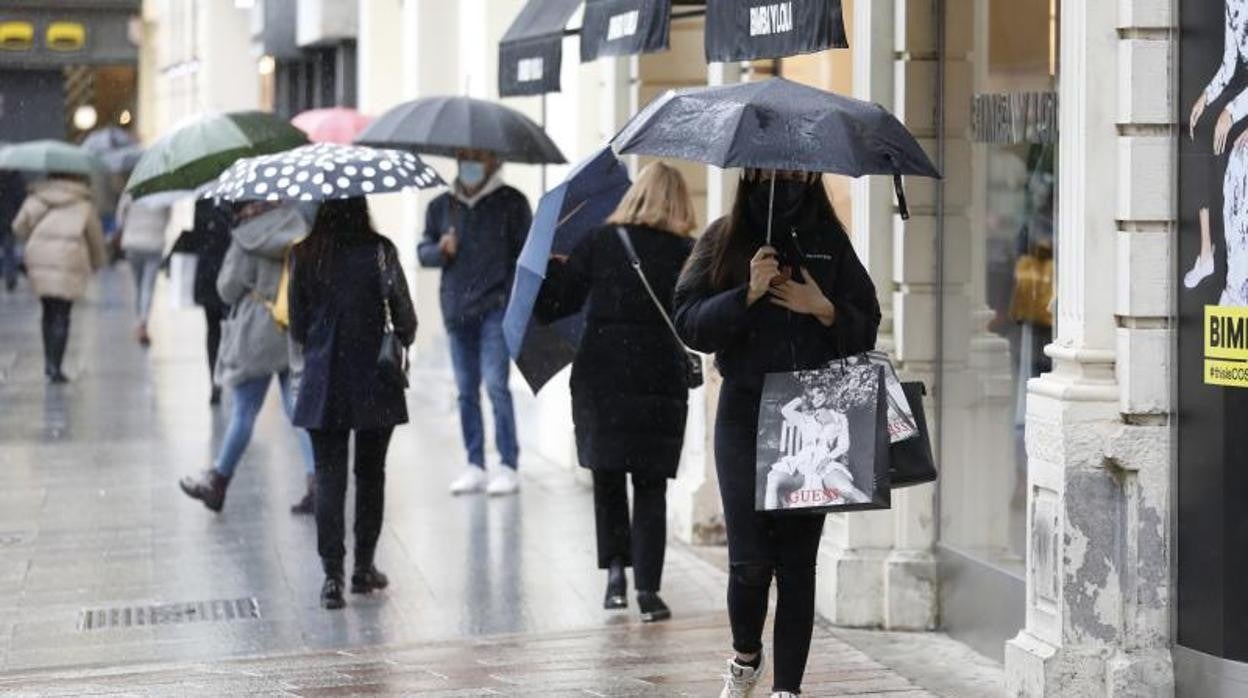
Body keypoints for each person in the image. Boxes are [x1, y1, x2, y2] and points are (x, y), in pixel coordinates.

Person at [673, 169, 881, 698]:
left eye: (796, 169)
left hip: (812, 421)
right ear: (751, 172)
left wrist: (824, 309)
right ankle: (746, 657)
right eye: (772, 169)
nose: (784, 178)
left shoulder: (830, 242)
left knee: (795, 567)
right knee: (749, 563)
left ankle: (788, 689)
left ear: (811, 174)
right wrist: (747, 292)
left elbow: (867, 321)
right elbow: (689, 322)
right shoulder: (723, 239)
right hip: (743, 413)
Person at [536, 162, 696, 623]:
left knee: (607, 478)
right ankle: (649, 590)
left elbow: (555, 306)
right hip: (658, 375)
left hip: (601, 373)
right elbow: (691, 319)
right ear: (678, 201)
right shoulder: (687, 251)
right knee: (650, 485)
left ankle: (615, 580)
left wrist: (552, 271)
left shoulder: (601, 242)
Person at [289, 197, 417, 610]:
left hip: (324, 380)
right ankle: (364, 567)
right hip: (374, 380)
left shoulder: (304, 254)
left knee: (329, 477)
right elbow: (406, 321)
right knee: (370, 473)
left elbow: (297, 323)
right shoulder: (380, 251)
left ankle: (331, 576)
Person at [179, 203, 316, 514]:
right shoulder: (299, 227)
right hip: (291, 327)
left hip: (256, 334)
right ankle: (317, 484)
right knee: (297, 412)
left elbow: (226, 290)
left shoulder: (245, 238)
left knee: (243, 412)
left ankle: (217, 482)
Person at [419, 149, 531, 496]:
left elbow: (525, 255)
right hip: (456, 311)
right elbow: (422, 252)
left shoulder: (511, 203)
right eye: (464, 156)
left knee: (496, 385)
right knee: (466, 390)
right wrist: (441, 250)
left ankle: (508, 464)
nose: (469, 164)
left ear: (493, 161)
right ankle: (474, 463)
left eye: (477, 157)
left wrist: (513, 302)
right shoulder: (441, 206)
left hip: (496, 310)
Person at [12, 173, 108, 383]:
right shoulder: (83, 204)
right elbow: (95, 238)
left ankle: (49, 362)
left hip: (40, 257)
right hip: (69, 260)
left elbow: (18, 226)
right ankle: (56, 366)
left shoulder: (38, 199)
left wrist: (34, 236)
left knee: (47, 310)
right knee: (62, 313)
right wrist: (98, 262)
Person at [191, 199, 234, 405]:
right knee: (213, 329)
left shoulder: (236, 201)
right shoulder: (203, 202)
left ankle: (229, 376)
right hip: (209, 276)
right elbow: (197, 237)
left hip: (232, 274)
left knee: (233, 329)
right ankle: (215, 381)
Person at [115, 193, 171, 346]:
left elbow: (119, 218)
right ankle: (143, 322)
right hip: (154, 243)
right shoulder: (164, 194)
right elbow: (168, 218)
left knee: (139, 284)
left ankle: (140, 320)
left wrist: (127, 227)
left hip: (132, 243)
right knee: (148, 286)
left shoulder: (131, 192)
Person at [0, 169, 25, 292]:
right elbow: (21, 198)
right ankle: (10, 278)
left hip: (8, 220)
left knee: (9, 249)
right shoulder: (15, 177)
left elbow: (21, 198)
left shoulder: (15, 177)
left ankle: (10, 278)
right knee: (9, 250)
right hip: (10, 220)